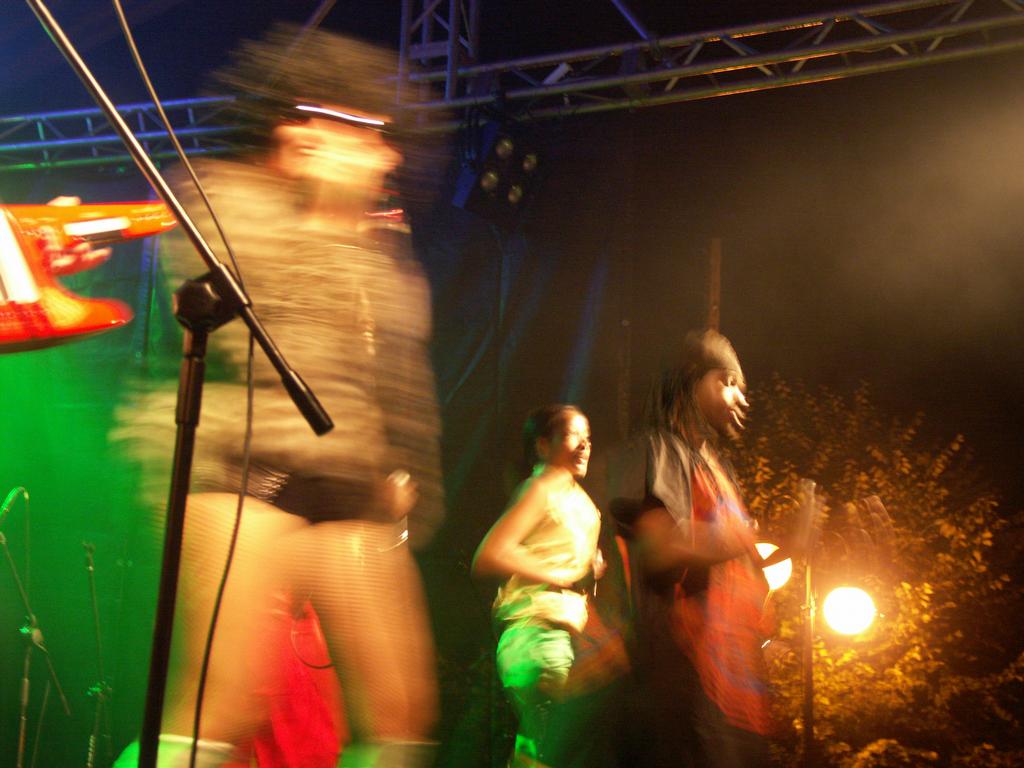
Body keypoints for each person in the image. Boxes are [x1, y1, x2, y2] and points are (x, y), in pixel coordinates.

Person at [112, 27, 443, 768]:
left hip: (342, 484)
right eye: (367, 136)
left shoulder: (376, 245)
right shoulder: (225, 200)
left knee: (399, 712)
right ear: (302, 135)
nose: (386, 156)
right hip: (240, 469)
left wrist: (398, 477)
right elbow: (256, 346)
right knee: (226, 701)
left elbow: (391, 379)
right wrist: (324, 221)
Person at [607, 330, 775, 768]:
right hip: (684, 684)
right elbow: (664, 547)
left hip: (735, 691)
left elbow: (736, 559)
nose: (741, 398)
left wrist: (823, 538)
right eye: (728, 382)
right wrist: (762, 534)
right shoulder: (656, 449)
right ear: (688, 380)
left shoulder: (720, 470)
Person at [472, 404, 606, 768]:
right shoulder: (542, 488)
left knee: (539, 750)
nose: (584, 445)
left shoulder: (579, 500)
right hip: (539, 638)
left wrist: (589, 567)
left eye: (588, 437)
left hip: (561, 640)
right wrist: (560, 575)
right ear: (543, 445)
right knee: (557, 746)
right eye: (572, 435)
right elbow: (490, 554)